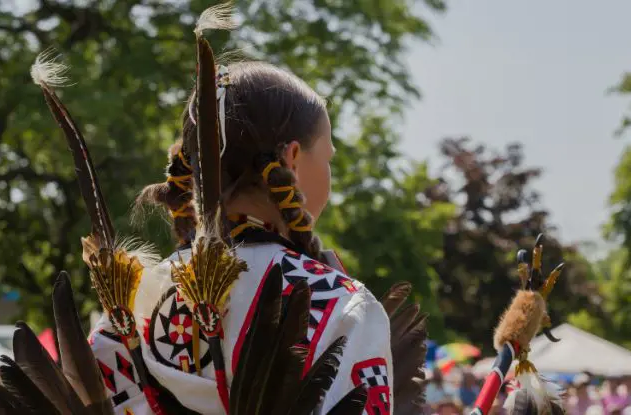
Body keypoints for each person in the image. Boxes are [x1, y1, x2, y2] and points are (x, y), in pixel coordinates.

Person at [80, 9, 396, 415]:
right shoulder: (341, 306)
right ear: (293, 157)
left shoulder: (123, 314)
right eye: (328, 157)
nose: (330, 173)